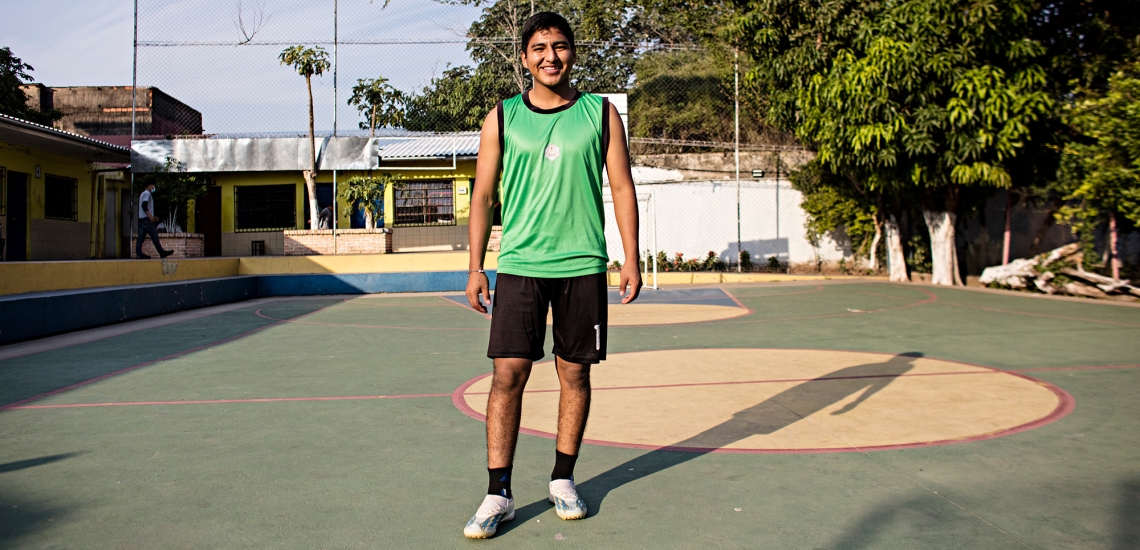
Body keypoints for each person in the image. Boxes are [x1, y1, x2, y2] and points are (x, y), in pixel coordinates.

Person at [463, 11, 642, 539]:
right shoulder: (502, 117)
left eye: (559, 46)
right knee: (508, 375)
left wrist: (630, 257)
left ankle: (563, 479)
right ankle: (498, 492)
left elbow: (623, 188)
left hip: (583, 265)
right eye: (539, 47)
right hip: (519, 264)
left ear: (572, 53)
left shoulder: (601, 114)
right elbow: (483, 196)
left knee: (575, 375)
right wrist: (476, 265)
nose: (550, 55)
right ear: (524, 58)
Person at [135, 182, 173, 259]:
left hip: (142, 219)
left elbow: (144, 207)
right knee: (154, 236)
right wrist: (150, 216)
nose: (154, 188)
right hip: (147, 220)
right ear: (150, 185)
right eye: (154, 186)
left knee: (140, 237)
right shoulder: (147, 194)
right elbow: (144, 205)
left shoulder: (142, 194)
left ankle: (139, 253)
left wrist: (152, 216)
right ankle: (162, 252)